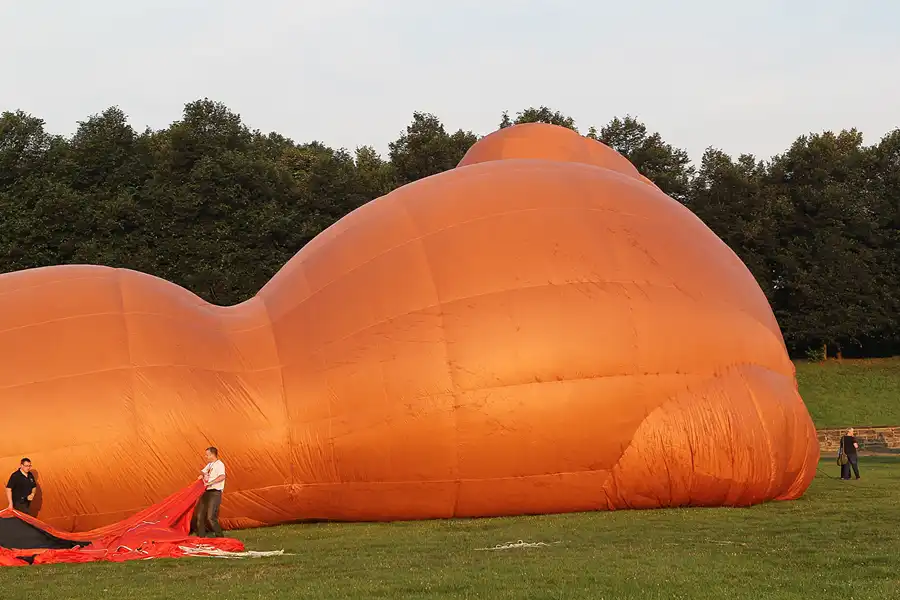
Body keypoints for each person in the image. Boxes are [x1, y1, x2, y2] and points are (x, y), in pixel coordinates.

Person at [196, 446, 226, 537]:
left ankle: (220, 536)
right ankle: (201, 537)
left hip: (214, 492)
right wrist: (201, 476)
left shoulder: (219, 464)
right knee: (200, 515)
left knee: (210, 517)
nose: (206, 457)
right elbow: (203, 472)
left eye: (207, 455)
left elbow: (222, 476)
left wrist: (211, 482)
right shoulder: (209, 465)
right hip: (206, 492)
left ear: (212, 455)